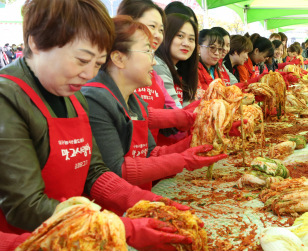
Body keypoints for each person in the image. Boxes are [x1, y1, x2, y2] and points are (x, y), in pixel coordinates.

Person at [0, 0, 192, 251]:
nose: (89, 74)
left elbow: (93, 172)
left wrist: (147, 202)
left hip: (77, 242)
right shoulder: (1, 98)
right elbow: (26, 206)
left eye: (97, 63)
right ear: (36, 43)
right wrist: (119, 229)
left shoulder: (73, 94)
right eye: (82, 60)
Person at [82, 16, 227, 191]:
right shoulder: (96, 99)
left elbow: (151, 153)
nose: (154, 61)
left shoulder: (133, 100)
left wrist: (200, 141)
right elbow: (116, 171)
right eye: (148, 52)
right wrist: (183, 160)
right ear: (119, 58)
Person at [116, 0, 190, 145]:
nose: (157, 35)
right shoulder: (107, 78)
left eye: (161, 30)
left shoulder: (155, 75)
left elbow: (173, 118)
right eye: (151, 26)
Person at [153, 14, 199, 107]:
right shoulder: (157, 65)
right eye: (180, 36)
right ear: (166, 36)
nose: (186, 43)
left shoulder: (180, 70)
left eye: (191, 39)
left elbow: (185, 109)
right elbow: (176, 112)